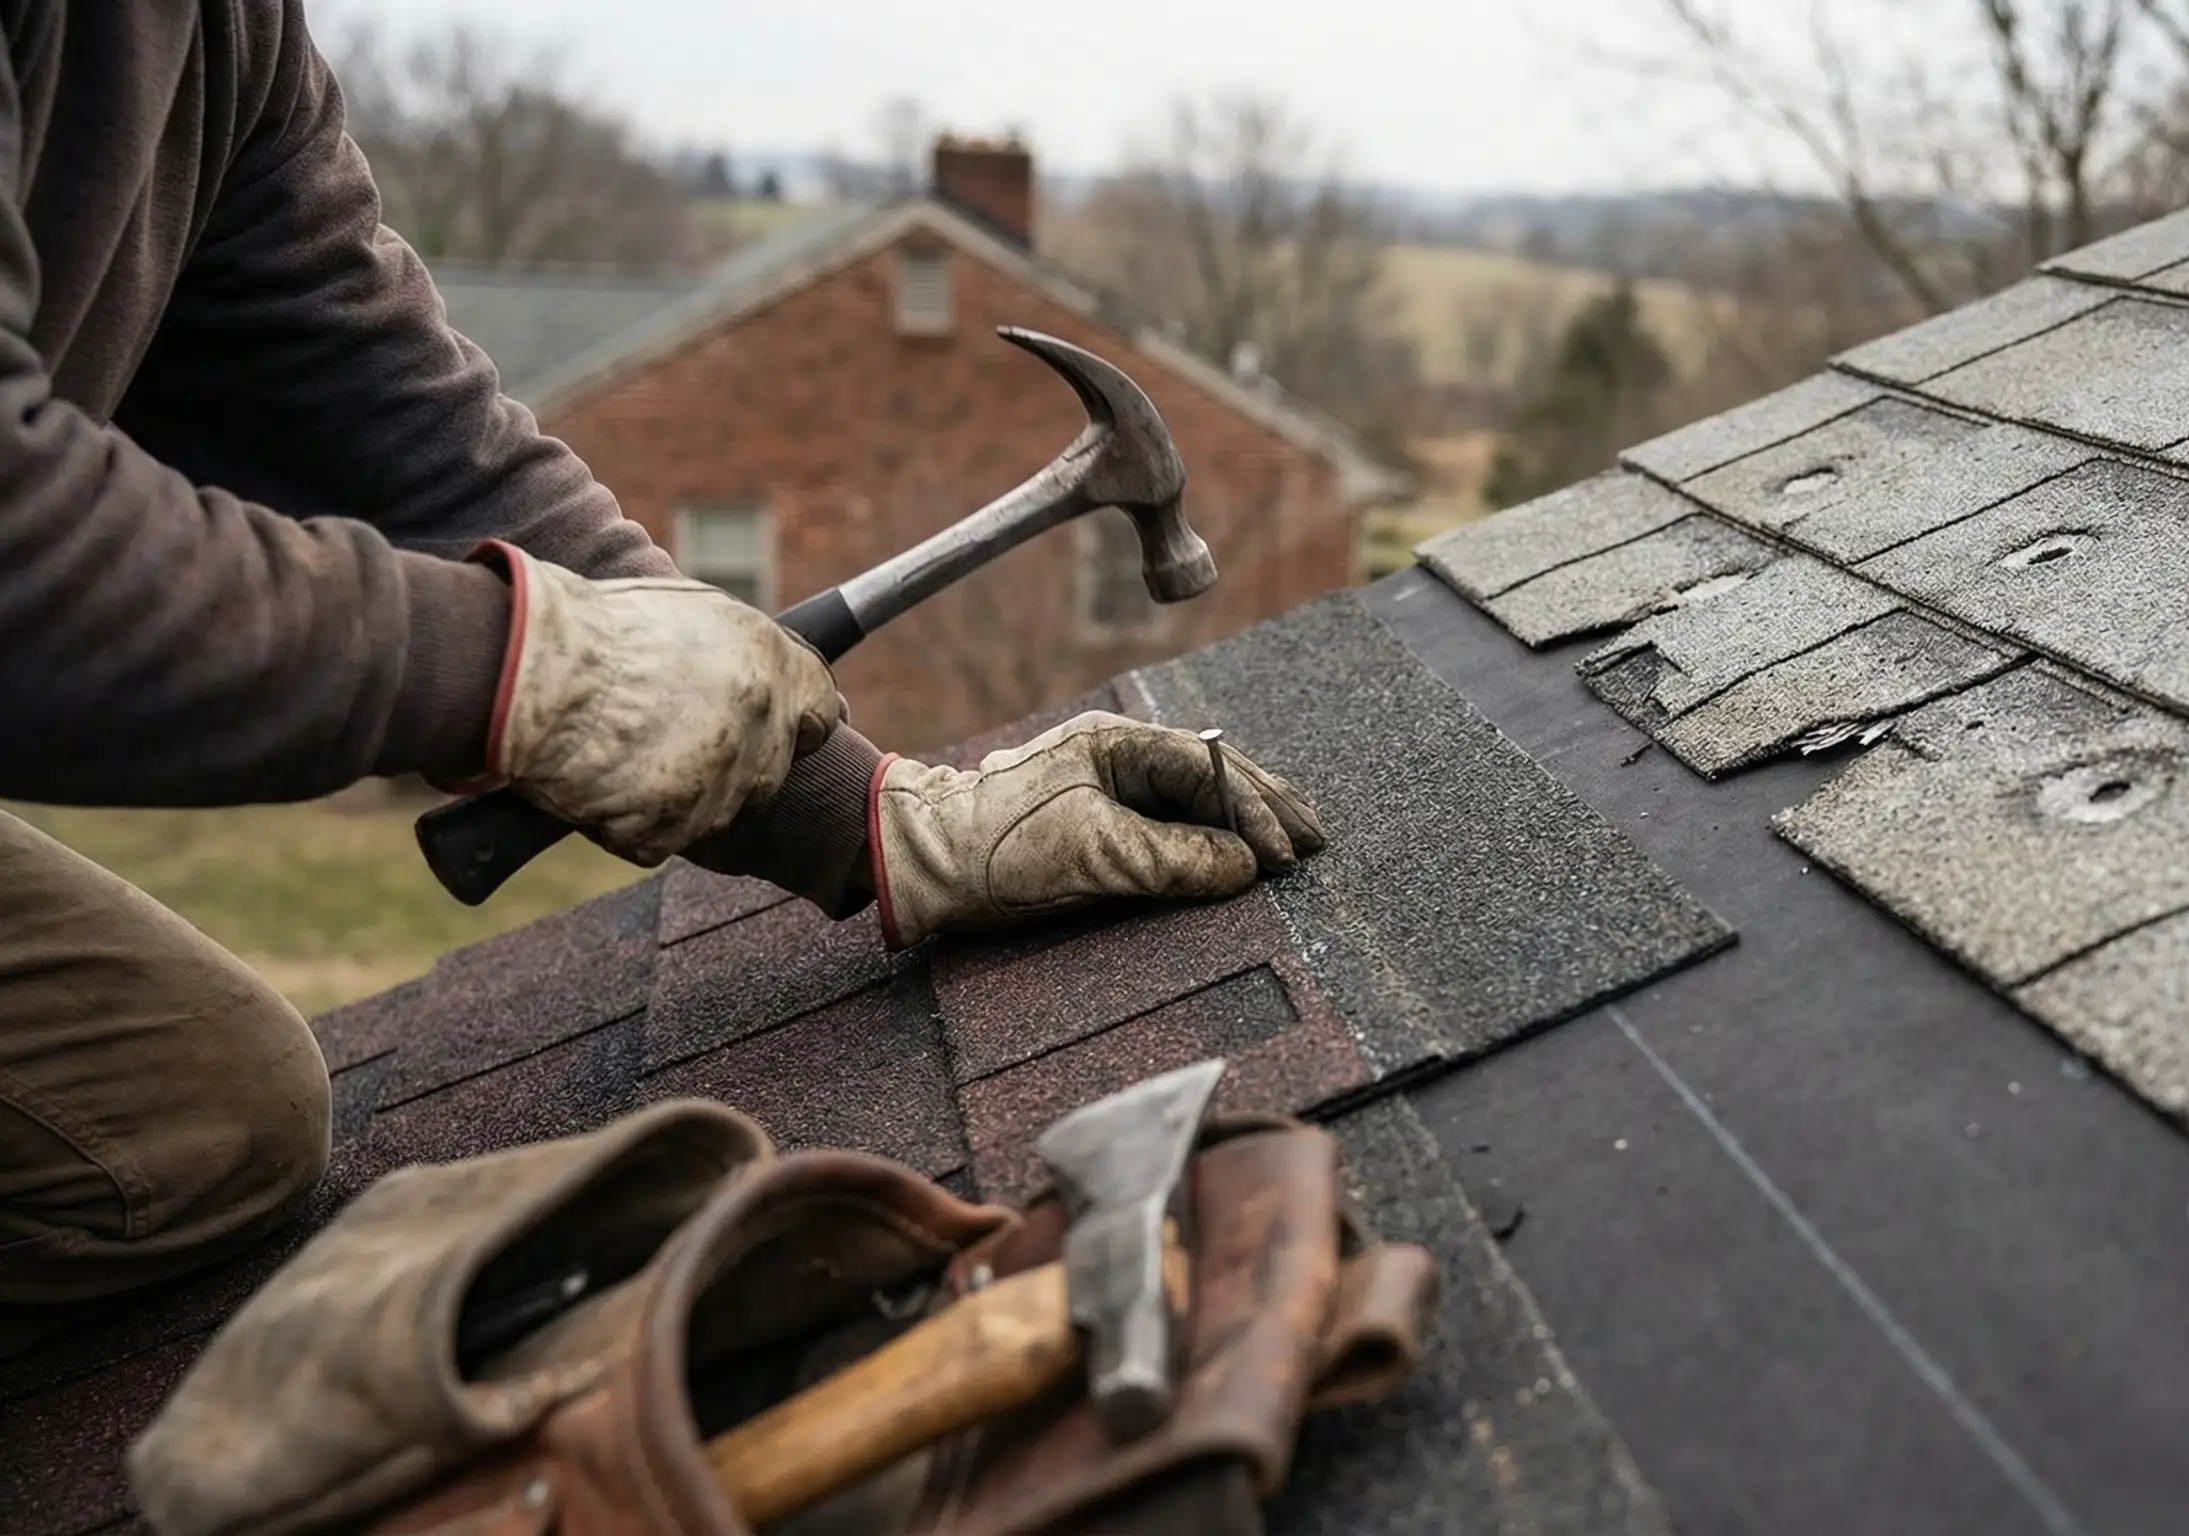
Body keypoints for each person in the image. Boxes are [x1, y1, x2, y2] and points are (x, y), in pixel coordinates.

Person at [0, 1, 1322, 1357]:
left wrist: (882, 819)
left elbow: (394, 427)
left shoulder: (224, 36)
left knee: (189, 1126)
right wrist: (515, 669)